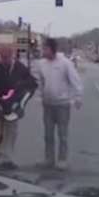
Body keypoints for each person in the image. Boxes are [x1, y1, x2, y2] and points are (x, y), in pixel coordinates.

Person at [0, 46, 37, 170]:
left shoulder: (20, 68)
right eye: (2, 58)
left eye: (6, 58)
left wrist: (21, 99)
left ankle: (6, 158)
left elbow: (32, 84)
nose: (4, 61)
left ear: (12, 56)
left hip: (12, 106)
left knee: (11, 132)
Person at [37, 38, 83, 170]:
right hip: (48, 104)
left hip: (62, 104)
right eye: (43, 48)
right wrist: (40, 95)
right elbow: (41, 82)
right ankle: (49, 159)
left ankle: (62, 160)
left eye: (45, 48)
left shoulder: (65, 63)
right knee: (48, 134)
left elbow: (75, 80)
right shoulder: (41, 64)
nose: (43, 51)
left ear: (52, 49)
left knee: (62, 134)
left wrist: (78, 97)